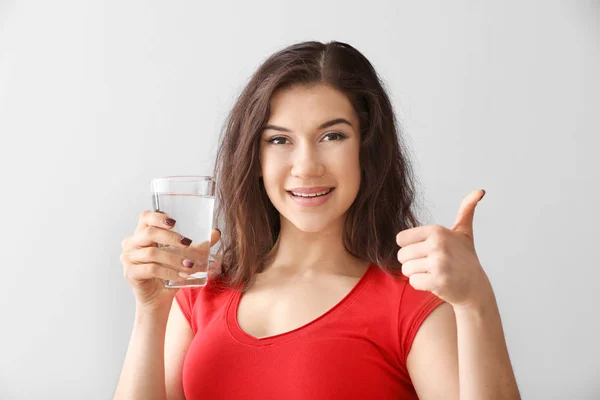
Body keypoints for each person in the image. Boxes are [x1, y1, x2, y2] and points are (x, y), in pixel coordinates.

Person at [114, 41, 521, 400]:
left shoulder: (411, 304)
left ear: (367, 148)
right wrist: (151, 310)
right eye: (279, 140)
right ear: (254, 159)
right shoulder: (201, 294)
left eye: (332, 136)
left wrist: (476, 304)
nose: (306, 167)